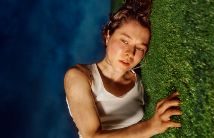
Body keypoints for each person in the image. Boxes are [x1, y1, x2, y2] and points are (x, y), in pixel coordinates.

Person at [64, 0, 181, 137]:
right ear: (108, 36)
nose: (130, 53)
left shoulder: (138, 83)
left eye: (139, 48)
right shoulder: (78, 76)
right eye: (124, 41)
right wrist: (151, 126)